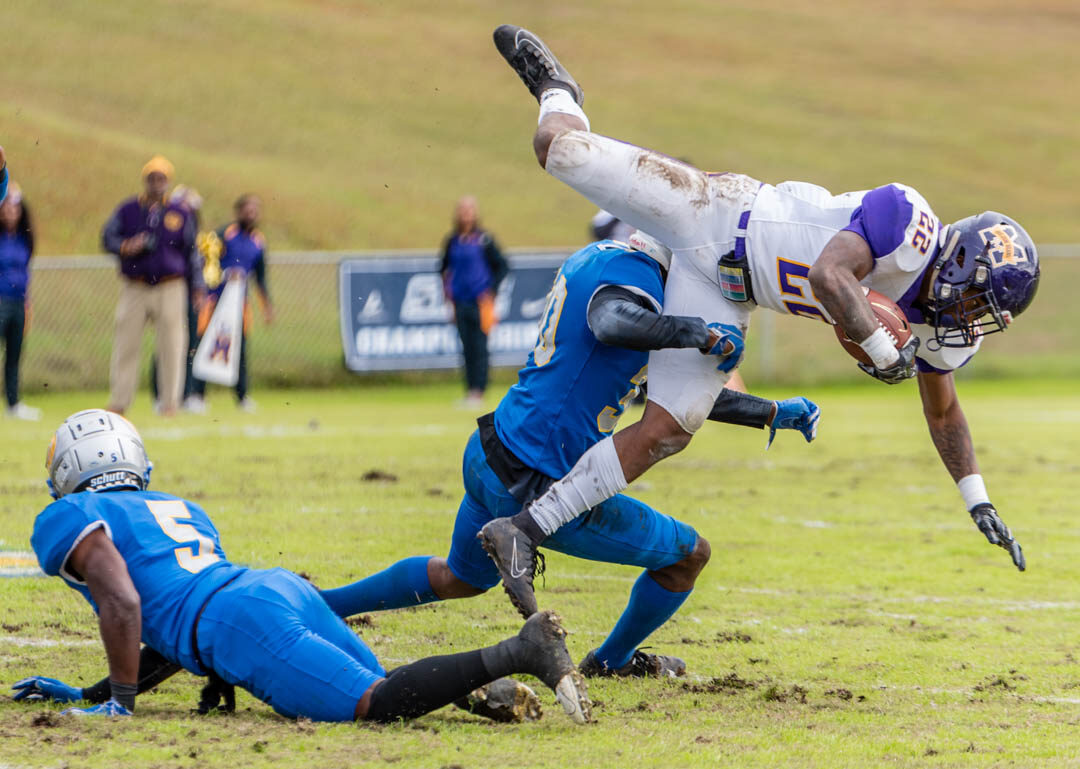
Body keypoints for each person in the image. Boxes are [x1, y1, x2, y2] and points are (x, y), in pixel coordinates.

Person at [482, 26, 1038, 616]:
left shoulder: (934, 326)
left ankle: (525, 528)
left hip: (726, 292)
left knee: (668, 431)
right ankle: (560, 92)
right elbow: (830, 276)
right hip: (714, 212)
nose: (972, 320)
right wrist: (880, 347)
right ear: (960, 261)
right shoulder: (908, 218)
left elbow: (944, 410)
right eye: (977, 302)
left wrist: (976, 497)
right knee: (559, 150)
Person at [312, 232, 819, 678]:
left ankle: (320, 606)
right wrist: (697, 332)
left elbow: (675, 395)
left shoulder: (600, 257)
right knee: (688, 557)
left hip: (492, 450)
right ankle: (612, 661)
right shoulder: (638, 274)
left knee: (460, 577)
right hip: (541, 482)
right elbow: (610, 321)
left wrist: (769, 412)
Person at [13, 409, 591, 724]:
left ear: (68, 470)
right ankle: (474, 689)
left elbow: (124, 601)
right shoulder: (175, 506)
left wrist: (118, 702)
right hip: (273, 590)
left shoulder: (70, 512)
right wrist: (90, 692)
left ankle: (521, 651)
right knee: (386, 688)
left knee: (374, 707)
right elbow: (168, 622)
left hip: (241, 620)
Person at [102, 156, 202, 417]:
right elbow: (108, 237)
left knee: (172, 345)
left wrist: (197, 286)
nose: (157, 183)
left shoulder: (180, 213)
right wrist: (127, 246)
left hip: (170, 285)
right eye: (152, 178)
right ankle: (120, 400)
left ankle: (170, 403)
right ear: (145, 180)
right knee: (126, 343)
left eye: (162, 179)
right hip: (135, 285)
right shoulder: (129, 209)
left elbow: (191, 252)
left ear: (168, 182)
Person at [190, 194, 273, 413]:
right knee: (205, 344)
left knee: (240, 348)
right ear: (238, 211)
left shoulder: (258, 241)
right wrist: (225, 274)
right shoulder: (224, 234)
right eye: (248, 209)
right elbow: (206, 261)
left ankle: (242, 396)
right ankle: (197, 395)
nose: (251, 214)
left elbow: (261, 276)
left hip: (239, 303)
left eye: (255, 210)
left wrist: (267, 306)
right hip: (215, 299)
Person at [440, 195, 508, 406]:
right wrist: (448, 296)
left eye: (469, 210)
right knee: (466, 347)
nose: (466, 214)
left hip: (480, 302)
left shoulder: (484, 240)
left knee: (480, 346)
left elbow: (502, 266)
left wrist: (491, 291)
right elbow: (443, 269)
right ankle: (470, 390)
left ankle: (480, 390)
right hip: (460, 301)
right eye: (463, 210)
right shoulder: (451, 241)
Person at [0, 182, 40, 421]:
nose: (9, 213)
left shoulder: (24, 239)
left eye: (14, 209)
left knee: (14, 355)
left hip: (19, 302)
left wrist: (27, 303)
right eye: (5, 208)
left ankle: (13, 404)